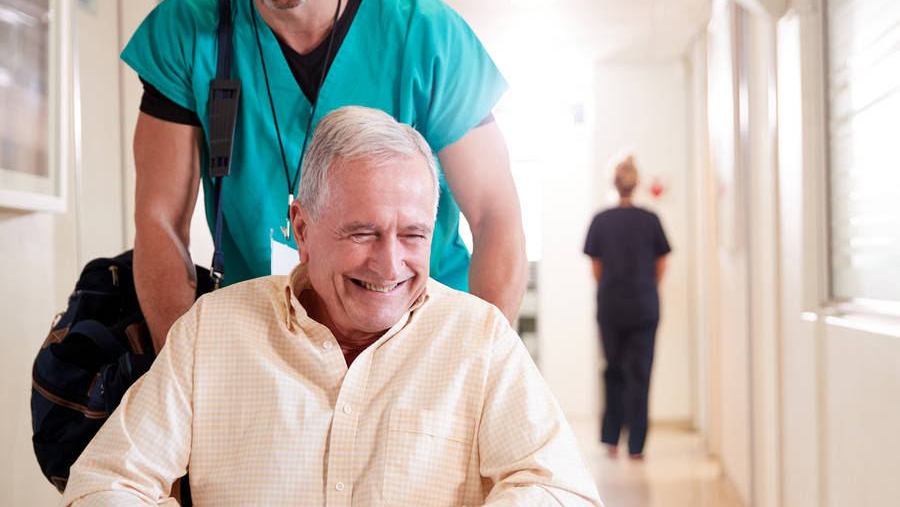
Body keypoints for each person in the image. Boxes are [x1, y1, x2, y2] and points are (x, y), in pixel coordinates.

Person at [61, 107, 603, 507]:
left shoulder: (478, 338)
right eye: (363, 232)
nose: (390, 265)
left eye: (413, 235)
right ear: (302, 229)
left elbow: (561, 489)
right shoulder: (213, 331)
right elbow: (107, 484)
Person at [128, 0, 527, 351]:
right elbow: (159, 220)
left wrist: (484, 367)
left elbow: (495, 215)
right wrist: (184, 369)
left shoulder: (425, 34)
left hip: (421, 339)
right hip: (264, 343)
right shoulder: (188, 33)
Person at [582, 156, 671, 459]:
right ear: (637, 182)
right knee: (641, 374)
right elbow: (661, 264)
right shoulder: (651, 220)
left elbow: (597, 268)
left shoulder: (601, 220)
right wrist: (646, 288)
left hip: (612, 306)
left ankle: (610, 438)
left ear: (614, 183)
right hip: (645, 305)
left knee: (613, 370)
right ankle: (637, 445)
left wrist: (612, 289)